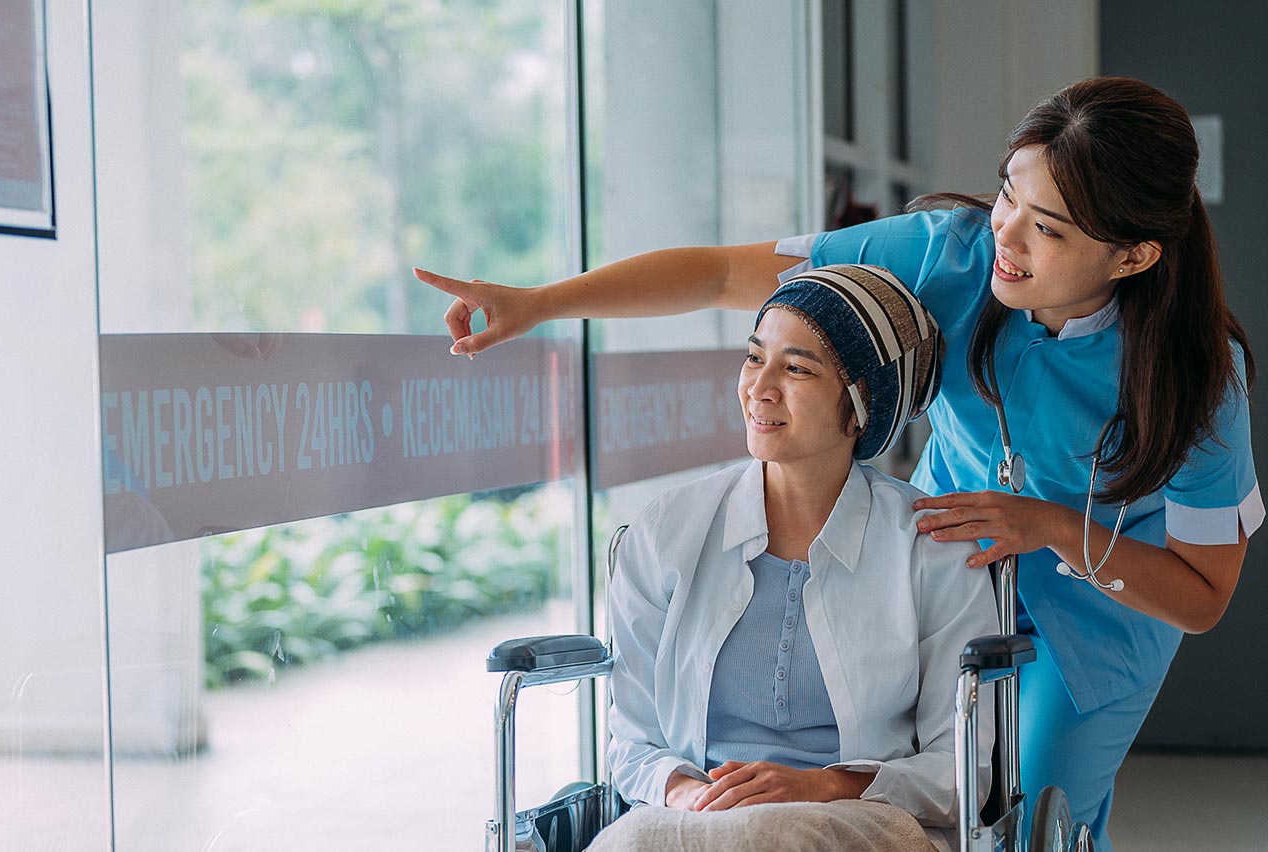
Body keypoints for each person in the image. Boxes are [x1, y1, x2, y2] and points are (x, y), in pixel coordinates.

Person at [416, 77, 1256, 851]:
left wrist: (1044, 526)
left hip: (1096, 618)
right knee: (896, 781)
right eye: (1009, 194)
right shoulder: (946, 254)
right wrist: (542, 304)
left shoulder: (1195, 377)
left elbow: (1203, 594)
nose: (1006, 236)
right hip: (944, 565)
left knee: (1016, 806)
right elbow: (718, 274)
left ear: (1134, 255)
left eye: (1048, 228)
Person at [591, 264, 996, 852]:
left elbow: (959, 769)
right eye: (755, 358)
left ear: (859, 409)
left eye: (797, 368)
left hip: (864, 820)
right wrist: (688, 795)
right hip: (695, 817)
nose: (760, 387)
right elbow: (631, 741)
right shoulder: (666, 532)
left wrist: (822, 785)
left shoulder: (929, 547)